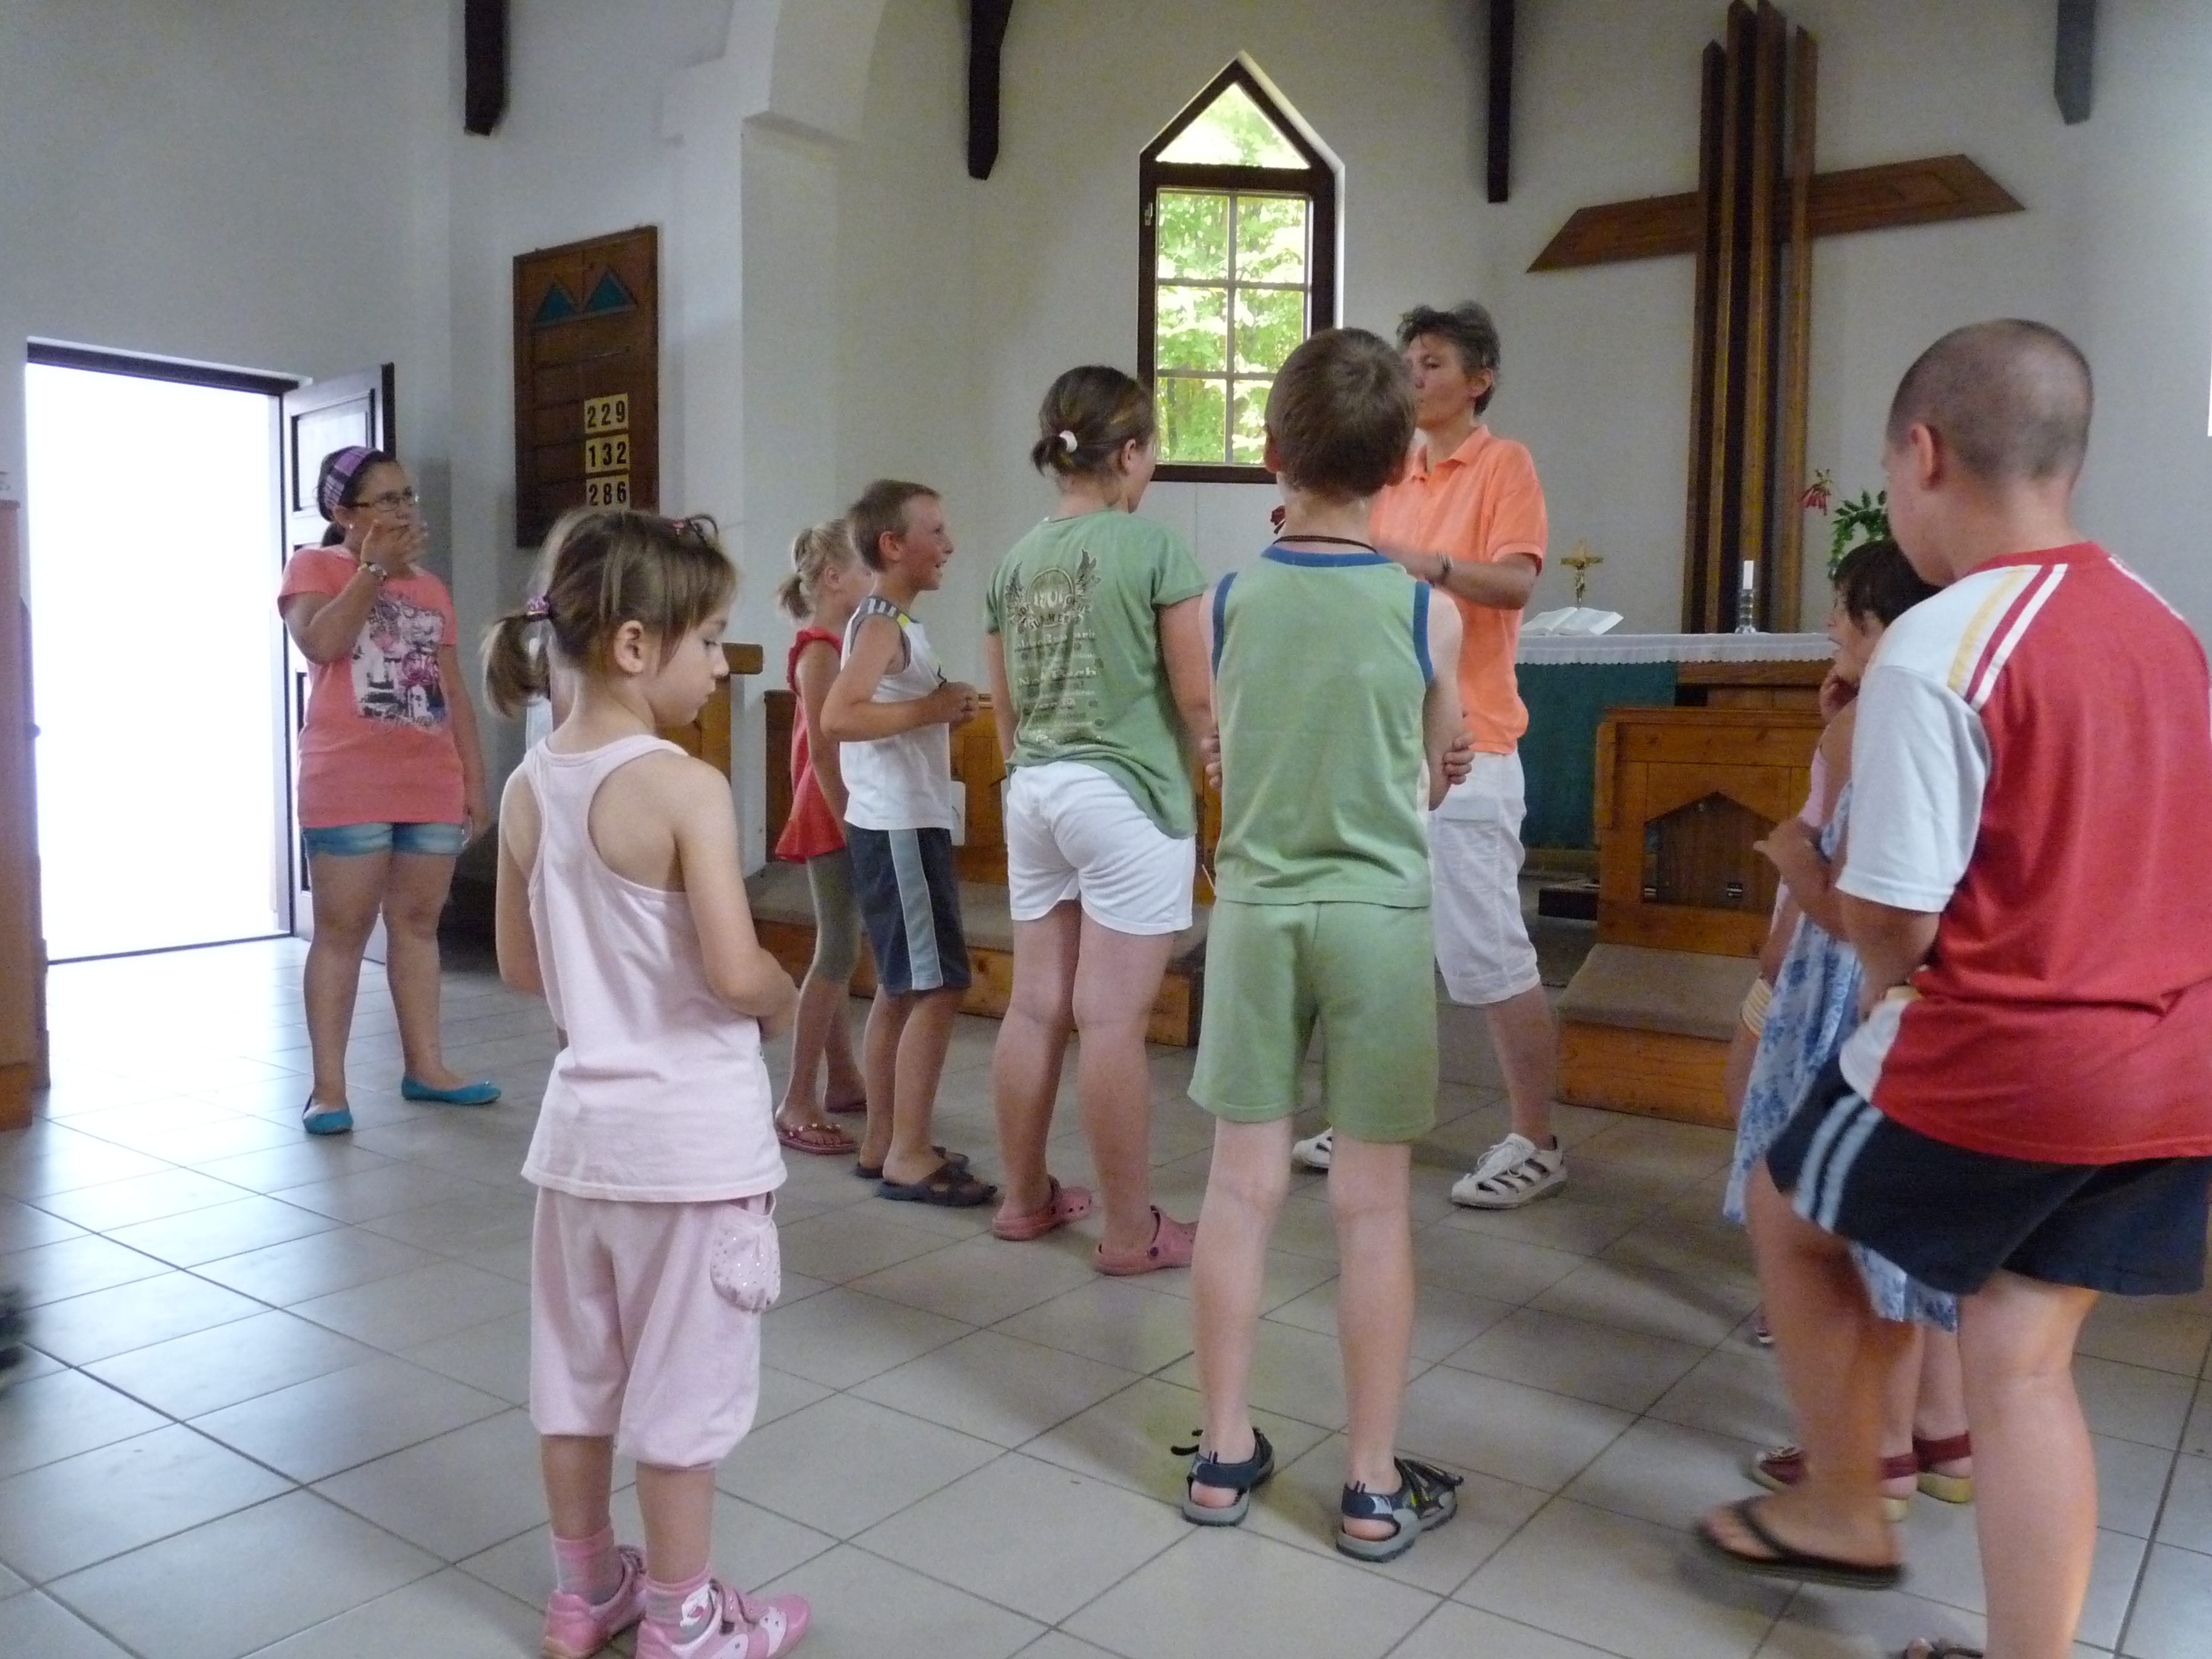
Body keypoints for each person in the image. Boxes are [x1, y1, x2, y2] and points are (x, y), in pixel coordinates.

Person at [1696, 321, 2212, 1659]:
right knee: (2022, 1360)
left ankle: (1845, 1508)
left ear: (1920, 456)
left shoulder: (1938, 645)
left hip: (2015, 1055)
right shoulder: (2162, 624)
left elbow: (1897, 916)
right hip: (2175, 1068)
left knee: (1789, 1207)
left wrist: (1880, 981)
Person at [483, 508, 808, 1659]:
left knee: (575, 1382)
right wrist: (784, 991)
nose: (720, 666)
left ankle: (584, 1593)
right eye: (709, 639)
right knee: (682, 1396)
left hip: (581, 1146)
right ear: (633, 644)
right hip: (692, 1153)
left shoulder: (529, 788)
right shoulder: (684, 787)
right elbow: (733, 970)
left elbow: (522, 966)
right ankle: (685, 1619)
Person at [1184, 328, 1469, 1561]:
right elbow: (1435, 776)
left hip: (1255, 911)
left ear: (1271, 454)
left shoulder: (1222, 603)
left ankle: (1221, 1453)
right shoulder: (1424, 612)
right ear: (1401, 463)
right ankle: (1367, 1482)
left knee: (1238, 1189)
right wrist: (1434, 759)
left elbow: (1224, 748)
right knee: (1370, 1206)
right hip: (1376, 917)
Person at [1719, 539, 1973, 1522]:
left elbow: (1852, 903)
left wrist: (1791, 859)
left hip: (1848, 988)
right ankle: (1944, 1435)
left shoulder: (1870, 725)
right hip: (1933, 997)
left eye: (1844, 610)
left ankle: (1871, 1457)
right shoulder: (1954, 704)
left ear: (1883, 625)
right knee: (1914, 1227)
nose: (1829, 625)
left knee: (1836, 1221)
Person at [1291, 302, 1560, 1210]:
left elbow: (1516, 581)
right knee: (1380, 945)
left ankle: (1536, 1137)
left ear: (1479, 379)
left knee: (1488, 953)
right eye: (1406, 360)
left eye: (1433, 362)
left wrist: (1423, 562)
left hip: (1471, 741)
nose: (1413, 375)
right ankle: (1369, 1115)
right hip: (1383, 742)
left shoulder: (1503, 464)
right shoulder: (1386, 468)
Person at [983, 367, 1214, 1272]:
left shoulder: (1012, 562)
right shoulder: (1153, 548)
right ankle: (1129, 1231)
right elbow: (1196, 699)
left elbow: (1005, 712)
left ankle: (1023, 1198)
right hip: (1123, 796)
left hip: (1035, 790)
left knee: (1037, 1005)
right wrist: (1224, 770)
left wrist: (1025, 779)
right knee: (1112, 1021)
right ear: (1130, 453)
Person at [278, 446, 495, 1136]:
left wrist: (474, 779)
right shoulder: (314, 568)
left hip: (429, 779)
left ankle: (427, 1067)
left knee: (419, 924)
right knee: (342, 931)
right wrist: (371, 570)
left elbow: (452, 691)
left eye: (408, 497)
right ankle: (328, 1090)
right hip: (347, 780)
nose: (405, 512)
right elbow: (322, 644)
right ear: (345, 512)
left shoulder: (431, 588)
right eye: (388, 500)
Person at [819, 481, 993, 1206]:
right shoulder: (881, 624)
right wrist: (931, 707)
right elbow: (839, 717)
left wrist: (938, 711)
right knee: (939, 986)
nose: (948, 544)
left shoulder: (890, 623)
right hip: (898, 826)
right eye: (936, 531)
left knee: (902, 985)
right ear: (894, 546)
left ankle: (885, 1140)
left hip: (901, 821)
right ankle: (909, 1153)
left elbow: (883, 708)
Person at [770, 521, 872, 1158]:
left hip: (839, 805)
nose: (875, 580)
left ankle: (843, 1076)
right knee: (836, 950)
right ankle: (797, 1097)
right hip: (832, 808)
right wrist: (852, 822)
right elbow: (826, 752)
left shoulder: (840, 644)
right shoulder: (819, 650)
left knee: (841, 942)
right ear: (834, 578)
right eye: (866, 569)